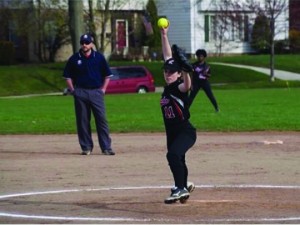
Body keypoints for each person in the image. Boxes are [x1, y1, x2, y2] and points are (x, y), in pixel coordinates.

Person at [160, 26, 197, 204]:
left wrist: (187, 72)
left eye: (171, 72)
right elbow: (168, 57)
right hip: (172, 132)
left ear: (178, 74)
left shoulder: (179, 87)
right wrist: (164, 35)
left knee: (173, 155)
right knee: (178, 158)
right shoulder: (168, 86)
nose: (168, 74)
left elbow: (187, 86)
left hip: (185, 131)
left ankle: (180, 188)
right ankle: (182, 185)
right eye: (165, 72)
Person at [63, 33, 115, 156]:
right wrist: (73, 91)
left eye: (87, 43)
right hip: (80, 92)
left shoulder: (99, 58)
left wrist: (103, 89)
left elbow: (107, 75)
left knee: (101, 120)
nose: (84, 45)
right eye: (82, 43)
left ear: (91, 44)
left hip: (96, 91)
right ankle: (86, 147)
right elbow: (67, 76)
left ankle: (106, 147)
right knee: (83, 121)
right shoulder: (75, 58)